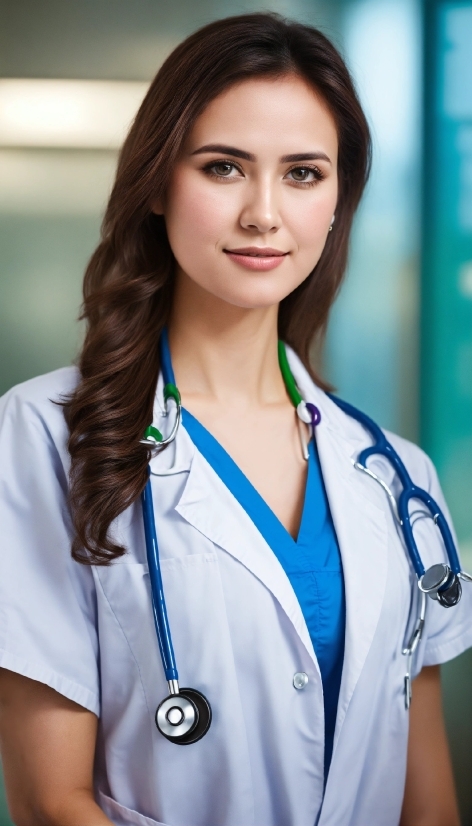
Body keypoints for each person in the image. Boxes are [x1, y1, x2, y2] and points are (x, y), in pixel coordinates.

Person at [0, 12, 470, 826]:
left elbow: (424, 801)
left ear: (336, 201)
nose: (264, 213)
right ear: (156, 182)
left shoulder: (397, 476)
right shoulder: (45, 436)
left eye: (303, 173)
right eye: (224, 167)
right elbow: (50, 802)